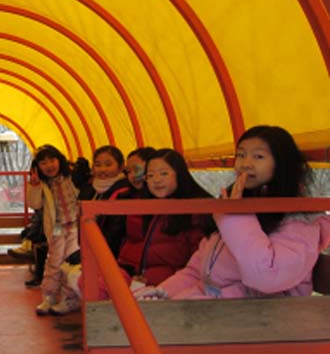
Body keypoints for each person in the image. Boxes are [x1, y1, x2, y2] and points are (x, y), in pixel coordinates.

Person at [136, 126, 330, 302]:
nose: (245, 164)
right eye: (241, 155)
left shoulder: (298, 222)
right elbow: (197, 272)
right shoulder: (232, 209)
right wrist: (163, 292)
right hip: (221, 311)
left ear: (281, 163)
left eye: (258, 156)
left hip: (266, 320)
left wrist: (236, 216)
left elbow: (268, 277)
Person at [67, 148, 207, 303]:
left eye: (164, 173)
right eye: (151, 175)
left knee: (101, 291)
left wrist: (144, 278)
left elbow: (196, 266)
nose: (156, 180)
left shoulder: (195, 211)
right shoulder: (154, 206)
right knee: (88, 282)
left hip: (169, 285)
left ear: (180, 173)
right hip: (141, 275)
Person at [28, 145, 82, 316]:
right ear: (37, 167)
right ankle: (49, 297)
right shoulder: (43, 184)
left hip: (76, 225)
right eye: (43, 163)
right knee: (53, 262)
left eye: (52, 160)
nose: (49, 166)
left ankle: (69, 299)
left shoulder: (72, 177)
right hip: (58, 227)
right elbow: (34, 204)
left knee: (71, 263)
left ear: (59, 160)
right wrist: (34, 185)